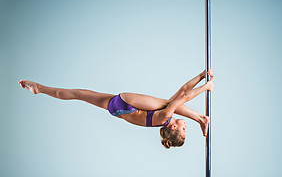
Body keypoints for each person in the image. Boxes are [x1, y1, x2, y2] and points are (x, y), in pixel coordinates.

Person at [19, 69, 214, 148]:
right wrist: (201, 76)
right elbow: (182, 92)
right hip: (116, 110)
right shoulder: (161, 119)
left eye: (183, 129)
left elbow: (185, 95)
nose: (183, 126)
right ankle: (40, 89)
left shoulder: (164, 116)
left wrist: (206, 86)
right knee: (77, 94)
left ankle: (201, 119)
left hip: (126, 103)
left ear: (172, 128)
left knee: (171, 102)